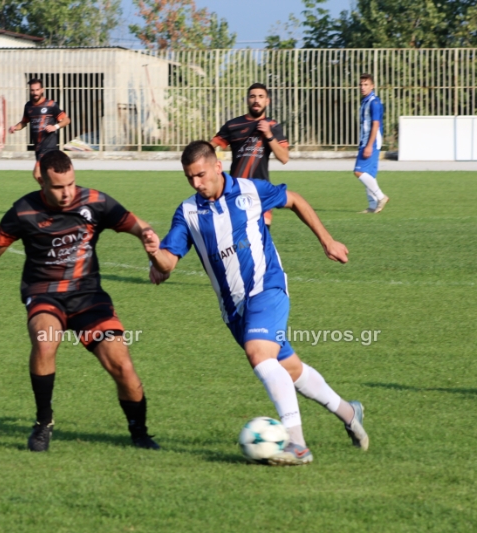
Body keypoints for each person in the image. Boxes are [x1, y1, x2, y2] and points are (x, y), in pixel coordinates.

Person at [143, 141, 369, 466]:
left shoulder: (250, 190)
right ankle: (349, 412)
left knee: (259, 354)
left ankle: (298, 445)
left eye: (201, 175)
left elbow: (294, 200)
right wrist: (154, 253)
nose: (196, 183)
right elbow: (167, 264)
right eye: (190, 178)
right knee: (289, 369)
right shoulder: (188, 212)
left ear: (217, 166)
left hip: (268, 288)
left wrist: (327, 240)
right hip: (234, 310)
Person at [0, 150, 160, 452]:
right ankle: (44, 423)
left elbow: (135, 224)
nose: (67, 193)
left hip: (88, 295)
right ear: (42, 180)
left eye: (70, 184)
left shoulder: (94, 201)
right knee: (44, 339)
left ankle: (140, 432)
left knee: (122, 366)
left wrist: (148, 238)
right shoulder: (23, 211)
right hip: (44, 292)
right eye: (58, 187)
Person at [210, 83, 289, 228]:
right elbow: (210, 147)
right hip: (235, 190)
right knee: (236, 242)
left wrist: (268, 135)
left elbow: (284, 157)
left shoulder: (273, 126)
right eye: (252, 96)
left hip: (261, 191)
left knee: (262, 240)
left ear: (267, 101)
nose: (256, 100)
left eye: (261, 96)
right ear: (247, 100)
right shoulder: (233, 125)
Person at [8, 78, 71, 183]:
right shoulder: (28, 106)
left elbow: (66, 120)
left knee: (37, 173)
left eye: (37, 90)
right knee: (48, 174)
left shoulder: (51, 105)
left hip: (48, 146)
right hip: (38, 147)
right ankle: (52, 193)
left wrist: (55, 127)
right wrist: (15, 127)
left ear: (42, 90)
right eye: (32, 90)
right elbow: (24, 122)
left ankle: (47, 194)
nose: (35, 93)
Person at [355, 74, 388, 213]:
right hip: (367, 141)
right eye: (361, 84)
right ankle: (372, 206)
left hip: (371, 142)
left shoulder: (374, 102)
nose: (363, 87)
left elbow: (375, 124)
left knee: (359, 171)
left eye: (366, 84)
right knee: (369, 175)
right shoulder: (366, 101)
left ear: (372, 86)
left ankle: (381, 197)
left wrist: (369, 145)